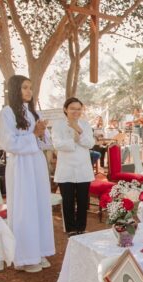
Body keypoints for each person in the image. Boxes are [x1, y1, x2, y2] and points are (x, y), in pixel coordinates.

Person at [0, 75, 55, 273]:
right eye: (25, 88)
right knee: (25, 208)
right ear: (15, 90)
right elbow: (8, 143)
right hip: (21, 165)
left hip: (36, 163)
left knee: (39, 205)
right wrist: (34, 135)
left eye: (31, 88)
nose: (29, 91)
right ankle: (25, 257)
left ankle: (39, 251)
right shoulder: (6, 113)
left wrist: (42, 132)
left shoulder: (33, 112)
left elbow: (45, 143)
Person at [52, 97, 95, 236]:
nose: (76, 111)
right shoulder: (58, 125)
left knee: (83, 200)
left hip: (83, 168)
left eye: (78, 109)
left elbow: (90, 143)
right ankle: (70, 229)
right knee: (68, 201)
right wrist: (73, 140)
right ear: (65, 109)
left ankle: (81, 228)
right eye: (72, 108)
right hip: (66, 168)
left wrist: (79, 131)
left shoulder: (85, 125)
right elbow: (57, 144)